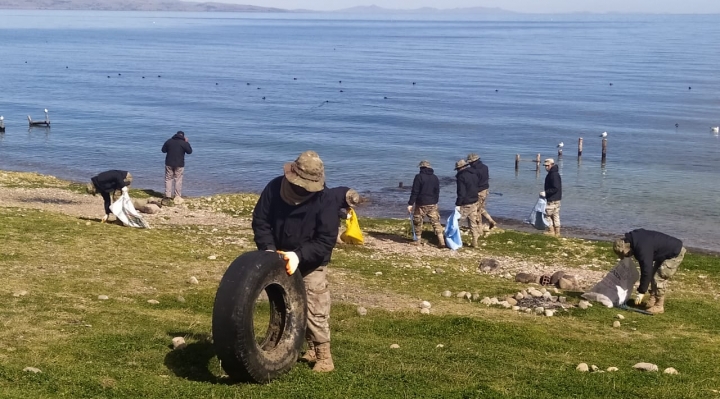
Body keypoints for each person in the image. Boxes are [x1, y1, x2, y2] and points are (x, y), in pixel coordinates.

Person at [251, 150, 338, 373]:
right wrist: (269, 250)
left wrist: (299, 255)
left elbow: (325, 240)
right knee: (283, 303)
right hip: (277, 256)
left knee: (315, 306)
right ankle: (281, 345)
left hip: (311, 260)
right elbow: (261, 221)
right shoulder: (274, 188)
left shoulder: (326, 199)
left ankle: (323, 355)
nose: (303, 189)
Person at [613, 229, 686, 314]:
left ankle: (659, 305)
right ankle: (653, 299)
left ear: (626, 248)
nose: (628, 256)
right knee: (652, 275)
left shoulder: (642, 248)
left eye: (626, 254)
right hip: (663, 252)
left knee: (658, 278)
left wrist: (641, 292)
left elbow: (646, 270)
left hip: (674, 253)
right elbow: (647, 269)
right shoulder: (634, 239)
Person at [407, 160, 444, 248]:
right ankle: (442, 241)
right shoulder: (435, 177)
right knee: (436, 222)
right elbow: (437, 191)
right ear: (429, 167)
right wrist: (436, 202)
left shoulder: (418, 177)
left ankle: (418, 241)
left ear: (421, 168)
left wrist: (410, 204)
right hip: (432, 204)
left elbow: (415, 191)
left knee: (418, 222)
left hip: (421, 204)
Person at [467, 153, 497, 232]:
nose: (469, 164)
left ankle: (479, 228)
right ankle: (491, 221)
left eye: (470, 162)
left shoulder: (473, 171)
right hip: (485, 190)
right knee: (481, 208)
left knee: (476, 210)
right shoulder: (485, 167)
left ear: (473, 162)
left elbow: (473, 182)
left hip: (478, 192)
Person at [454, 159, 481, 247]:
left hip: (465, 203)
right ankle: (475, 242)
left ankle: (454, 240)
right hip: (474, 201)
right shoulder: (474, 173)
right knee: (473, 223)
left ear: (460, 168)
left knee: (457, 222)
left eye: (457, 169)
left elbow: (461, 192)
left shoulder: (461, 176)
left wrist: (458, 204)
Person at [161, 130, 193, 204]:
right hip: (179, 164)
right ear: (183, 136)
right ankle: (177, 196)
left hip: (169, 163)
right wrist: (187, 142)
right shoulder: (184, 143)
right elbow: (189, 151)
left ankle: (167, 195)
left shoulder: (169, 141)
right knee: (178, 180)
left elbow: (163, 150)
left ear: (176, 135)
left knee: (168, 179)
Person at [541, 158, 562, 237]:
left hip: (552, 199)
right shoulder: (555, 173)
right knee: (555, 215)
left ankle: (551, 231)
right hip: (557, 199)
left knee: (547, 215)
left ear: (552, 165)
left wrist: (545, 193)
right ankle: (557, 232)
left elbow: (555, 188)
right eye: (545, 166)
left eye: (547, 166)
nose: (546, 167)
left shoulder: (553, 174)